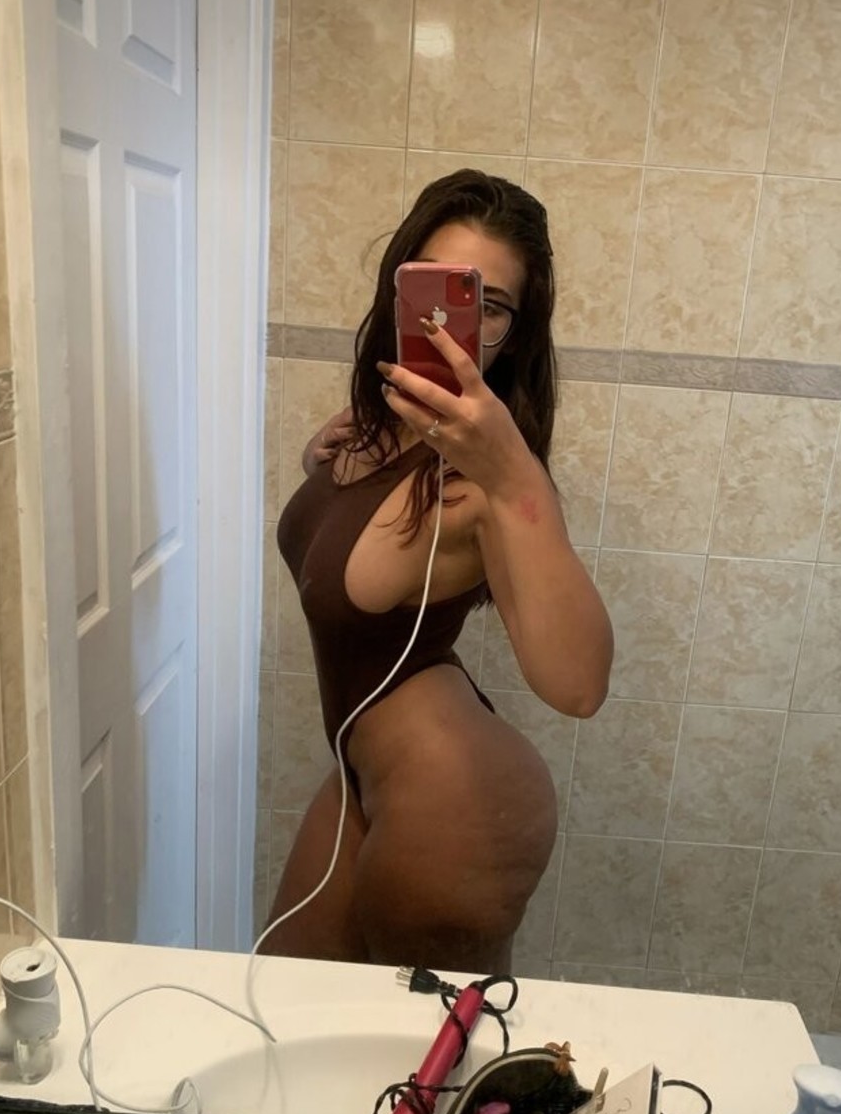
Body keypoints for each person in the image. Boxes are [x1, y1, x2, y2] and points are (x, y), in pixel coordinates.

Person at [261, 170, 613, 973]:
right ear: (400, 287)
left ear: (513, 334)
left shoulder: (485, 483)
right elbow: (346, 549)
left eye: (490, 304)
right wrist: (321, 463)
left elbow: (580, 685)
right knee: (285, 1004)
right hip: (364, 776)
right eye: (438, 285)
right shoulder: (380, 430)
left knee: (437, 1051)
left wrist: (515, 476)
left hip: (455, 804)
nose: (452, 321)